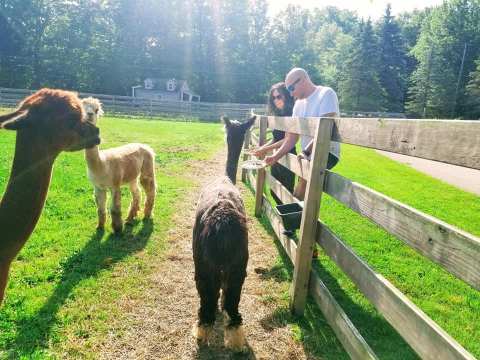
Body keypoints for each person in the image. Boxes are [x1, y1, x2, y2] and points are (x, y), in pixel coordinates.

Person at [265, 68, 340, 200]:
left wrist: (306, 152)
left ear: (303, 80)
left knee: (300, 191)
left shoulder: (326, 94)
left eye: (291, 88)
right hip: (307, 155)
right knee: (301, 193)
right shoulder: (298, 104)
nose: (291, 94)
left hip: (326, 151)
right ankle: (301, 218)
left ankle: (296, 218)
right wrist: (275, 156)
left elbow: (325, 129)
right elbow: (291, 137)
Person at [251, 82, 296, 204]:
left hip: (287, 154)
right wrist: (262, 148)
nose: (276, 100)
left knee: (286, 192)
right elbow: (276, 138)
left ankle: (290, 220)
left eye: (279, 96)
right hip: (275, 156)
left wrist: (265, 149)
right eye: (274, 98)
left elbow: (287, 139)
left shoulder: (293, 114)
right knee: (274, 190)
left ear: (286, 96)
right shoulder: (278, 115)